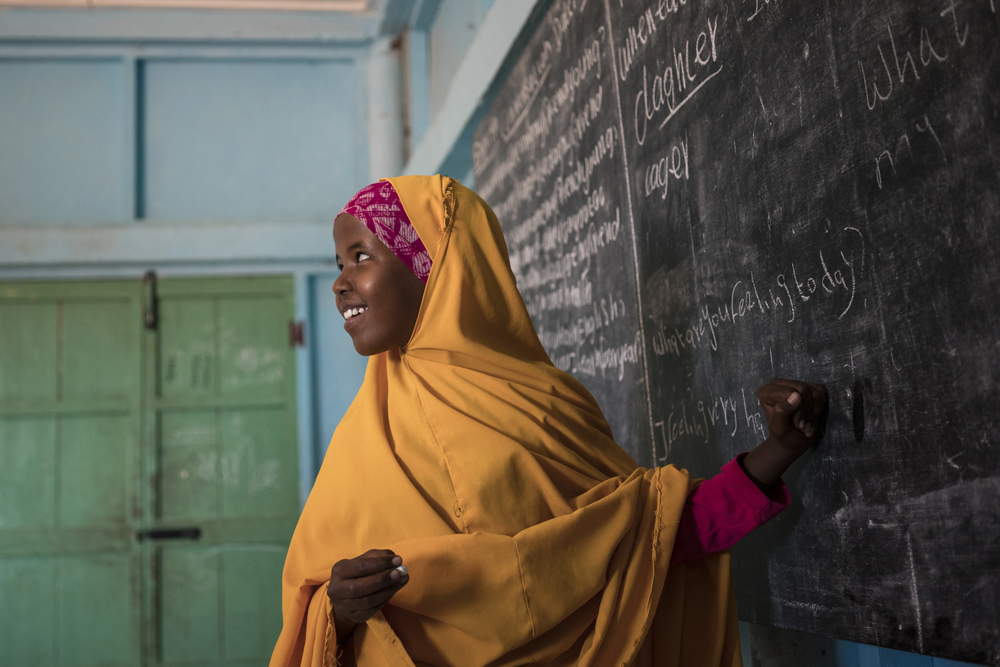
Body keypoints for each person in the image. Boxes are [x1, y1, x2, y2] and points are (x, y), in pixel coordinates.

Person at [269, 175, 827, 667]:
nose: (342, 282)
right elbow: (318, 611)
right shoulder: (364, 439)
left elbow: (646, 541)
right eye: (339, 264)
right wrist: (337, 613)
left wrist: (777, 453)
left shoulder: (545, 406)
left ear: (433, 268)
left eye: (361, 257)